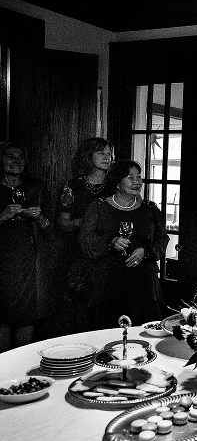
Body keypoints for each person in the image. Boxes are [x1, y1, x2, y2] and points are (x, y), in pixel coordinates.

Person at [80, 160, 169, 329]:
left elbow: (162, 239)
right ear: (117, 183)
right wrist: (110, 242)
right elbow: (85, 241)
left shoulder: (150, 208)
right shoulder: (99, 206)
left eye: (139, 177)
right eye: (130, 177)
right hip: (108, 283)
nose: (137, 182)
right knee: (108, 332)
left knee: (144, 332)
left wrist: (145, 251)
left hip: (144, 283)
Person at [57, 137, 114, 332]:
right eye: (101, 153)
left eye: (109, 153)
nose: (107, 157)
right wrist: (85, 222)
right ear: (89, 157)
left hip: (109, 252)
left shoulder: (116, 185)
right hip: (79, 253)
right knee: (80, 307)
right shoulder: (73, 186)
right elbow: (62, 223)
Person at [0, 141, 52, 352]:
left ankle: (20, 362)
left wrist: (38, 216)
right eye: (10, 156)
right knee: (2, 313)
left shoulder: (35, 187)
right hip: (3, 259)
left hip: (29, 259)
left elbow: (50, 228)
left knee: (27, 313)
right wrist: (3, 216)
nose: (17, 161)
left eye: (20, 157)